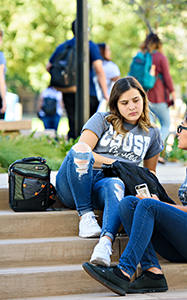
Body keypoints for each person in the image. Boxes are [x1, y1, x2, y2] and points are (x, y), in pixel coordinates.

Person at [82, 106, 187, 296]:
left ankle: (123, 272)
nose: (177, 133)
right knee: (128, 204)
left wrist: (160, 205)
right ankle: (153, 273)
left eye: (181, 128)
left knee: (148, 205)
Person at [55, 77, 163, 268]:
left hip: (106, 187)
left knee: (116, 184)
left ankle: (104, 245)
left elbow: (149, 171)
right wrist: (120, 165)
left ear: (143, 100)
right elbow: (83, 151)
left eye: (136, 100)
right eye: (125, 103)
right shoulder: (102, 120)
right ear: (115, 105)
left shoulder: (152, 133)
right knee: (80, 151)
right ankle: (85, 216)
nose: (132, 107)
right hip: (76, 181)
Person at [46, 20, 110, 140]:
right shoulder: (90, 45)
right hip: (88, 91)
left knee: (72, 122)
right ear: (87, 30)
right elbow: (99, 69)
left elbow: (48, 66)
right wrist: (106, 93)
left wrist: (65, 80)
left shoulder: (63, 46)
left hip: (68, 91)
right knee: (90, 124)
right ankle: (86, 149)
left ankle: (72, 147)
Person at [141, 33, 176, 147]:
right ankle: (155, 146)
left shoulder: (143, 56)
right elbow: (167, 77)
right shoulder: (160, 57)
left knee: (149, 128)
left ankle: (148, 149)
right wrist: (173, 93)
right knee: (166, 124)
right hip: (159, 97)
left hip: (144, 97)